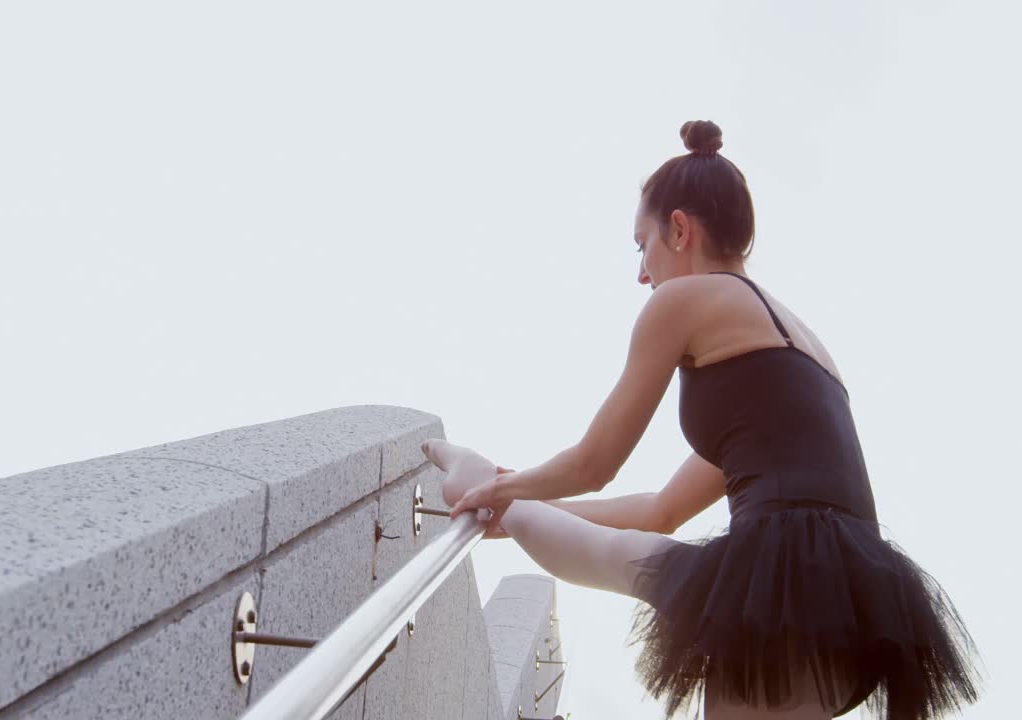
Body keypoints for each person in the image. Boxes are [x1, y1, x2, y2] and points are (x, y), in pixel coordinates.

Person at [421, 120, 983, 719]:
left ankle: (478, 478)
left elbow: (594, 463)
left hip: (787, 587)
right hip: (848, 597)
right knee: (621, 557)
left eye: (643, 245)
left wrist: (504, 488)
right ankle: (499, 497)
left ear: (680, 229)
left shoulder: (685, 302)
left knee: (618, 559)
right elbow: (661, 510)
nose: (642, 272)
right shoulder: (792, 345)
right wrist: (523, 508)